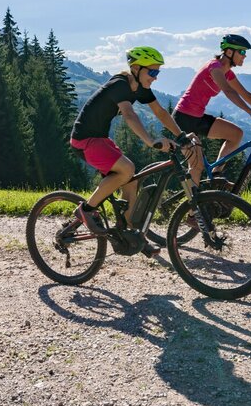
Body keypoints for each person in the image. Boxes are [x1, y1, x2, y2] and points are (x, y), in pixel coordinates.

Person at [70, 46, 184, 254]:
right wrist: (150, 141)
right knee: (127, 168)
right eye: (152, 72)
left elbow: (159, 112)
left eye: (157, 72)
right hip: (85, 139)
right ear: (136, 68)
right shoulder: (120, 85)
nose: (155, 77)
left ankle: (132, 235)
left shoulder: (139, 87)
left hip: (100, 139)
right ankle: (86, 210)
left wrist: (181, 135)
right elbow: (129, 115)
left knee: (131, 181)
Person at [173, 34, 251, 185]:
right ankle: (193, 207)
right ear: (229, 52)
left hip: (198, 117)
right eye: (241, 52)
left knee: (236, 134)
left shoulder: (227, 72)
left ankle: (216, 175)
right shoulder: (214, 67)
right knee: (196, 167)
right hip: (183, 119)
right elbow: (229, 91)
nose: (244, 56)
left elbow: (246, 94)